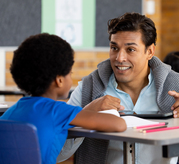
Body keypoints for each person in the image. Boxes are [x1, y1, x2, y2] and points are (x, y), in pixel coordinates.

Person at [58, 12, 179, 164]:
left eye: (130, 49)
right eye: (114, 48)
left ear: (150, 51)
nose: (119, 58)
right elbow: (58, 153)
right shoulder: (89, 87)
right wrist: (86, 115)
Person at [0, 33, 126, 164]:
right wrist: (94, 109)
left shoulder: (9, 113)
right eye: (70, 73)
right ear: (59, 80)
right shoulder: (57, 111)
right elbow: (119, 124)